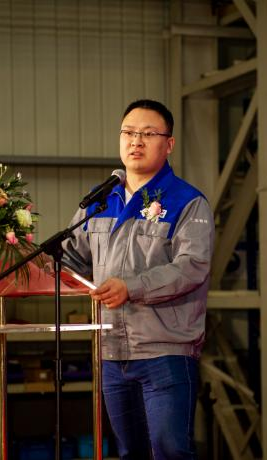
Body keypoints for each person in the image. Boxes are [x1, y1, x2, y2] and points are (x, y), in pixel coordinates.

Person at [62, 99, 215, 459]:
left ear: (169, 144)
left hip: (166, 351)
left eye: (148, 134)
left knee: (170, 450)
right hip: (111, 351)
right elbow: (68, 258)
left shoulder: (187, 202)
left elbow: (191, 267)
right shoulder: (99, 201)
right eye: (129, 132)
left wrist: (131, 287)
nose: (136, 141)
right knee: (131, 452)